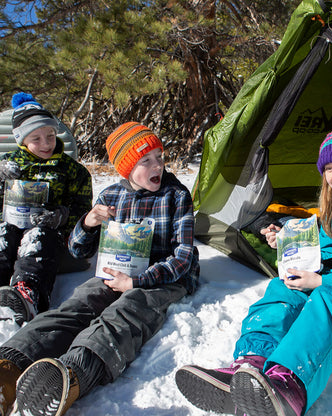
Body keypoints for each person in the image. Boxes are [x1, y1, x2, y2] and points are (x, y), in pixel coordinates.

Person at [175, 125, 332, 416]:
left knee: (329, 297)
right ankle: (251, 363)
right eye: (329, 168)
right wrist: (290, 241)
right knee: (285, 284)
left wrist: (324, 280)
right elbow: (324, 247)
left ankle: (289, 384)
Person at [0, 122, 200, 416]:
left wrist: (137, 282)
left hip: (163, 276)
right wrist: (88, 223)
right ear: (126, 168)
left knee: (127, 311)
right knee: (79, 303)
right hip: (115, 272)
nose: (157, 165)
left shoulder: (176, 195)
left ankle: (71, 374)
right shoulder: (110, 197)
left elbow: (182, 257)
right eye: (146, 160)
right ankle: (10, 365)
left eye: (159, 156)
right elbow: (78, 250)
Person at [0, 92, 92, 325]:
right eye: (36, 139)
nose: (46, 144)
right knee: (3, 237)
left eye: (50, 135)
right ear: (21, 140)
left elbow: (84, 213)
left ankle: (27, 295)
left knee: (39, 237)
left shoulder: (73, 171)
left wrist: (62, 217)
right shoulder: (8, 166)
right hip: (11, 228)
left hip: (51, 236)